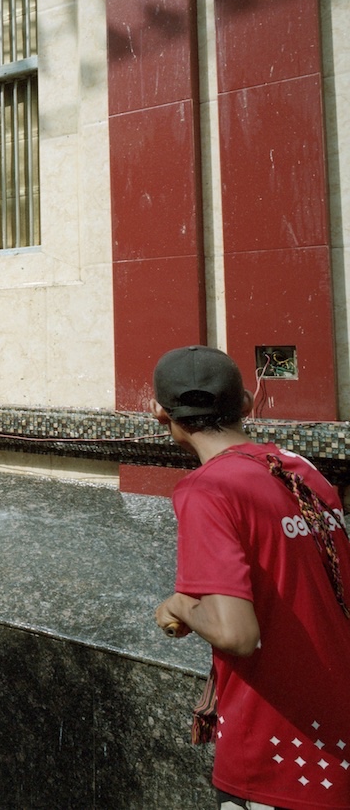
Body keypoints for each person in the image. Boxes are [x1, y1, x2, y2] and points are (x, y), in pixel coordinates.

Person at [152, 345, 350, 810]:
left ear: (160, 412)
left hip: (276, 754)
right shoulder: (299, 470)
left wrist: (180, 604)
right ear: (246, 403)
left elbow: (236, 634)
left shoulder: (209, 488)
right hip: (336, 732)